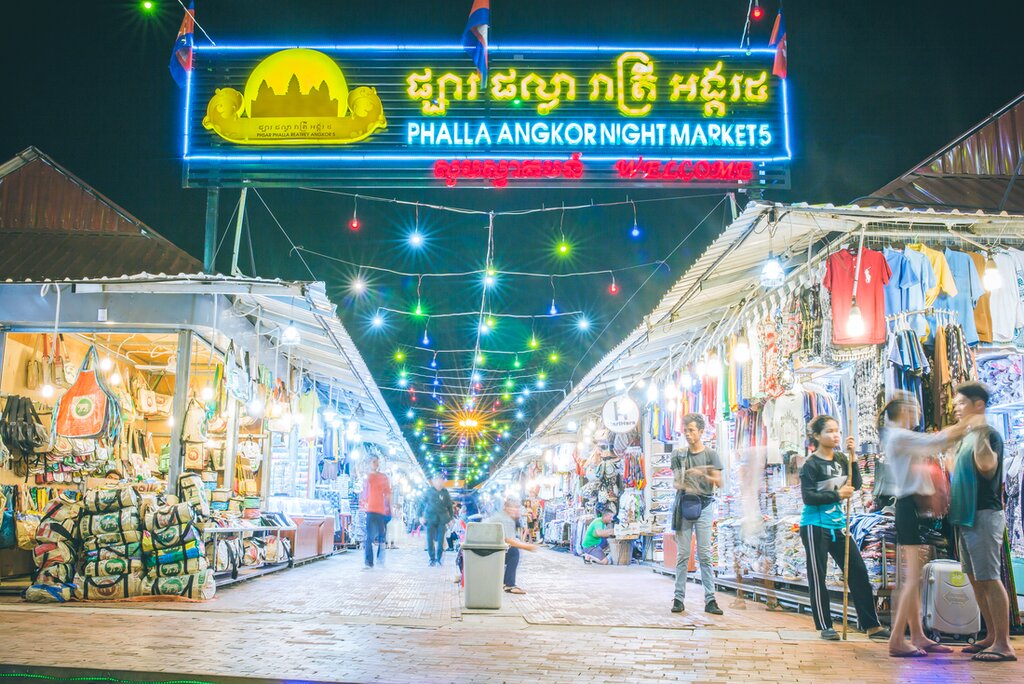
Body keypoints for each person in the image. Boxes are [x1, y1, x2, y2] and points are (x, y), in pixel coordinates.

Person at [880, 391, 967, 657]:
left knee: (913, 578)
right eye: (915, 407)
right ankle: (897, 639)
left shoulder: (899, 436)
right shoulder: (899, 436)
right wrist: (969, 420)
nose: (918, 411)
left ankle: (917, 635)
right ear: (904, 411)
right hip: (906, 508)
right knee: (911, 579)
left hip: (910, 509)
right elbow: (935, 441)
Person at [800, 415, 890, 641]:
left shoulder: (841, 458)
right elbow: (808, 497)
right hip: (815, 526)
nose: (835, 435)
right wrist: (837, 494)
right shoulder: (811, 465)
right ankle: (825, 626)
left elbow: (856, 484)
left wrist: (853, 458)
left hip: (839, 525)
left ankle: (871, 625)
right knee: (818, 576)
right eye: (829, 431)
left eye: (837, 431)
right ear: (817, 435)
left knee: (858, 571)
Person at [948, 382, 1017, 663]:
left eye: (961, 403)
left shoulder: (989, 434)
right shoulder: (965, 436)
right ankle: (991, 635)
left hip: (984, 514)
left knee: (989, 578)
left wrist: (976, 431)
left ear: (978, 405)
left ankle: (1004, 643)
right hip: (965, 516)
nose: (955, 408)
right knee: (975, 579)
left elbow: (987, 468)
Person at [670, 413, 724, 615]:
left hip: (705, 505)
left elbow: (719, 482)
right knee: (683, 554)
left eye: (691, 430)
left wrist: (701, 473)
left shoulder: (711, 455)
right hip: (685, 504)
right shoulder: (679, 455)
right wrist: (684, 480)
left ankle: (710, 599)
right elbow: (676, 483)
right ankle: (678, 598)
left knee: (705, 554)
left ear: (701, 431)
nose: (688, 434)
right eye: (685, 430)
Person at [486, 497, 538, 594]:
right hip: (487, 551)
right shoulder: (505, 519)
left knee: (512, 551)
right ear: (506, 508)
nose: (516, 510)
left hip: (487, 548)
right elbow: (509, 540)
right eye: (514, 507)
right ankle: (509, 584)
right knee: (514, 552)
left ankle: (507, 583)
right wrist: (527, 547)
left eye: (517, 507)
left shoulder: (504, 516)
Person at [359, 456, 391, 569]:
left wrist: (389, 508)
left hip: (381, 511)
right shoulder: (367, 477)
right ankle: (369, 562)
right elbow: (363, 494)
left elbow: (388, 494)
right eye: (373, 462)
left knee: (381, 537)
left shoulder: (383, 477)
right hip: (370, 510)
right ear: (370, 463)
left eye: (377, 462)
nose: (375, 464)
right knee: (370, 537)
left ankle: (380, 560)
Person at [420, 475, 455, 567]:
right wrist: (420, 516)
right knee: (429, 540)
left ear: (443, 482)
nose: (439, 482)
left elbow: (450, 507)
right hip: (430, 519)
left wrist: (451, 519)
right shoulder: (429, 491)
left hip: (442, 520)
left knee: (440, 541)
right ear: (434, 481)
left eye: (441, 480)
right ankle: (432, 559)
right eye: (437, 480)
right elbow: (421, 504)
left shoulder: (445, 493)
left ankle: (439, 559)